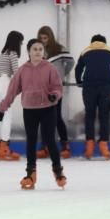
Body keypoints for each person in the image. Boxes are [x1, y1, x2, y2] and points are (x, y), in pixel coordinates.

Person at [0, 39, 66, 190]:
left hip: (48, 108)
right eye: (34, 49)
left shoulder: (49, 68)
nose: (38, 52)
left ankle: (58, 170)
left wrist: (54, 95)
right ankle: (31, 173)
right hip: (29, 109)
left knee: (49, 139)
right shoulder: (22, 70)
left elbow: (57, 87)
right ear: (29, 51)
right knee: (31, 140)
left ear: (43, 52)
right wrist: (3, 108)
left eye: (40, 49)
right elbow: (12, 90)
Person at [75, 33, 110, 160]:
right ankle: (104, 147)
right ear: (105, 43)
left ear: (91, 42)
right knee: (104, 116)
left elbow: (78, 69)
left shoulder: (85, 52)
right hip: (107, 87)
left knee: (89, 115)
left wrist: (79, 81)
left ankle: (89, 147)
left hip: (89, 87)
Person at [37, 26, 74, 159]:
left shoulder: (59, 49)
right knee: (43, 118)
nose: (43, 40)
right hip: (42, 88)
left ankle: (65, 145)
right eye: (41, 38)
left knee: (56, 116)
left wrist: (62, 75)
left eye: (45, 38)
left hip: (55, 88)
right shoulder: (38, 50)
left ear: (50, 37)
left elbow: (71, 62)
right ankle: (44, 145)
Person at [0, 31, 23, 161]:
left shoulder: (4, 53)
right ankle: (4, 148)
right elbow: (17, 72)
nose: (21, 44)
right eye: (21, 41)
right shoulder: (12, 53)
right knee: (8, 116)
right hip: (2, 84)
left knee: (1, 117)